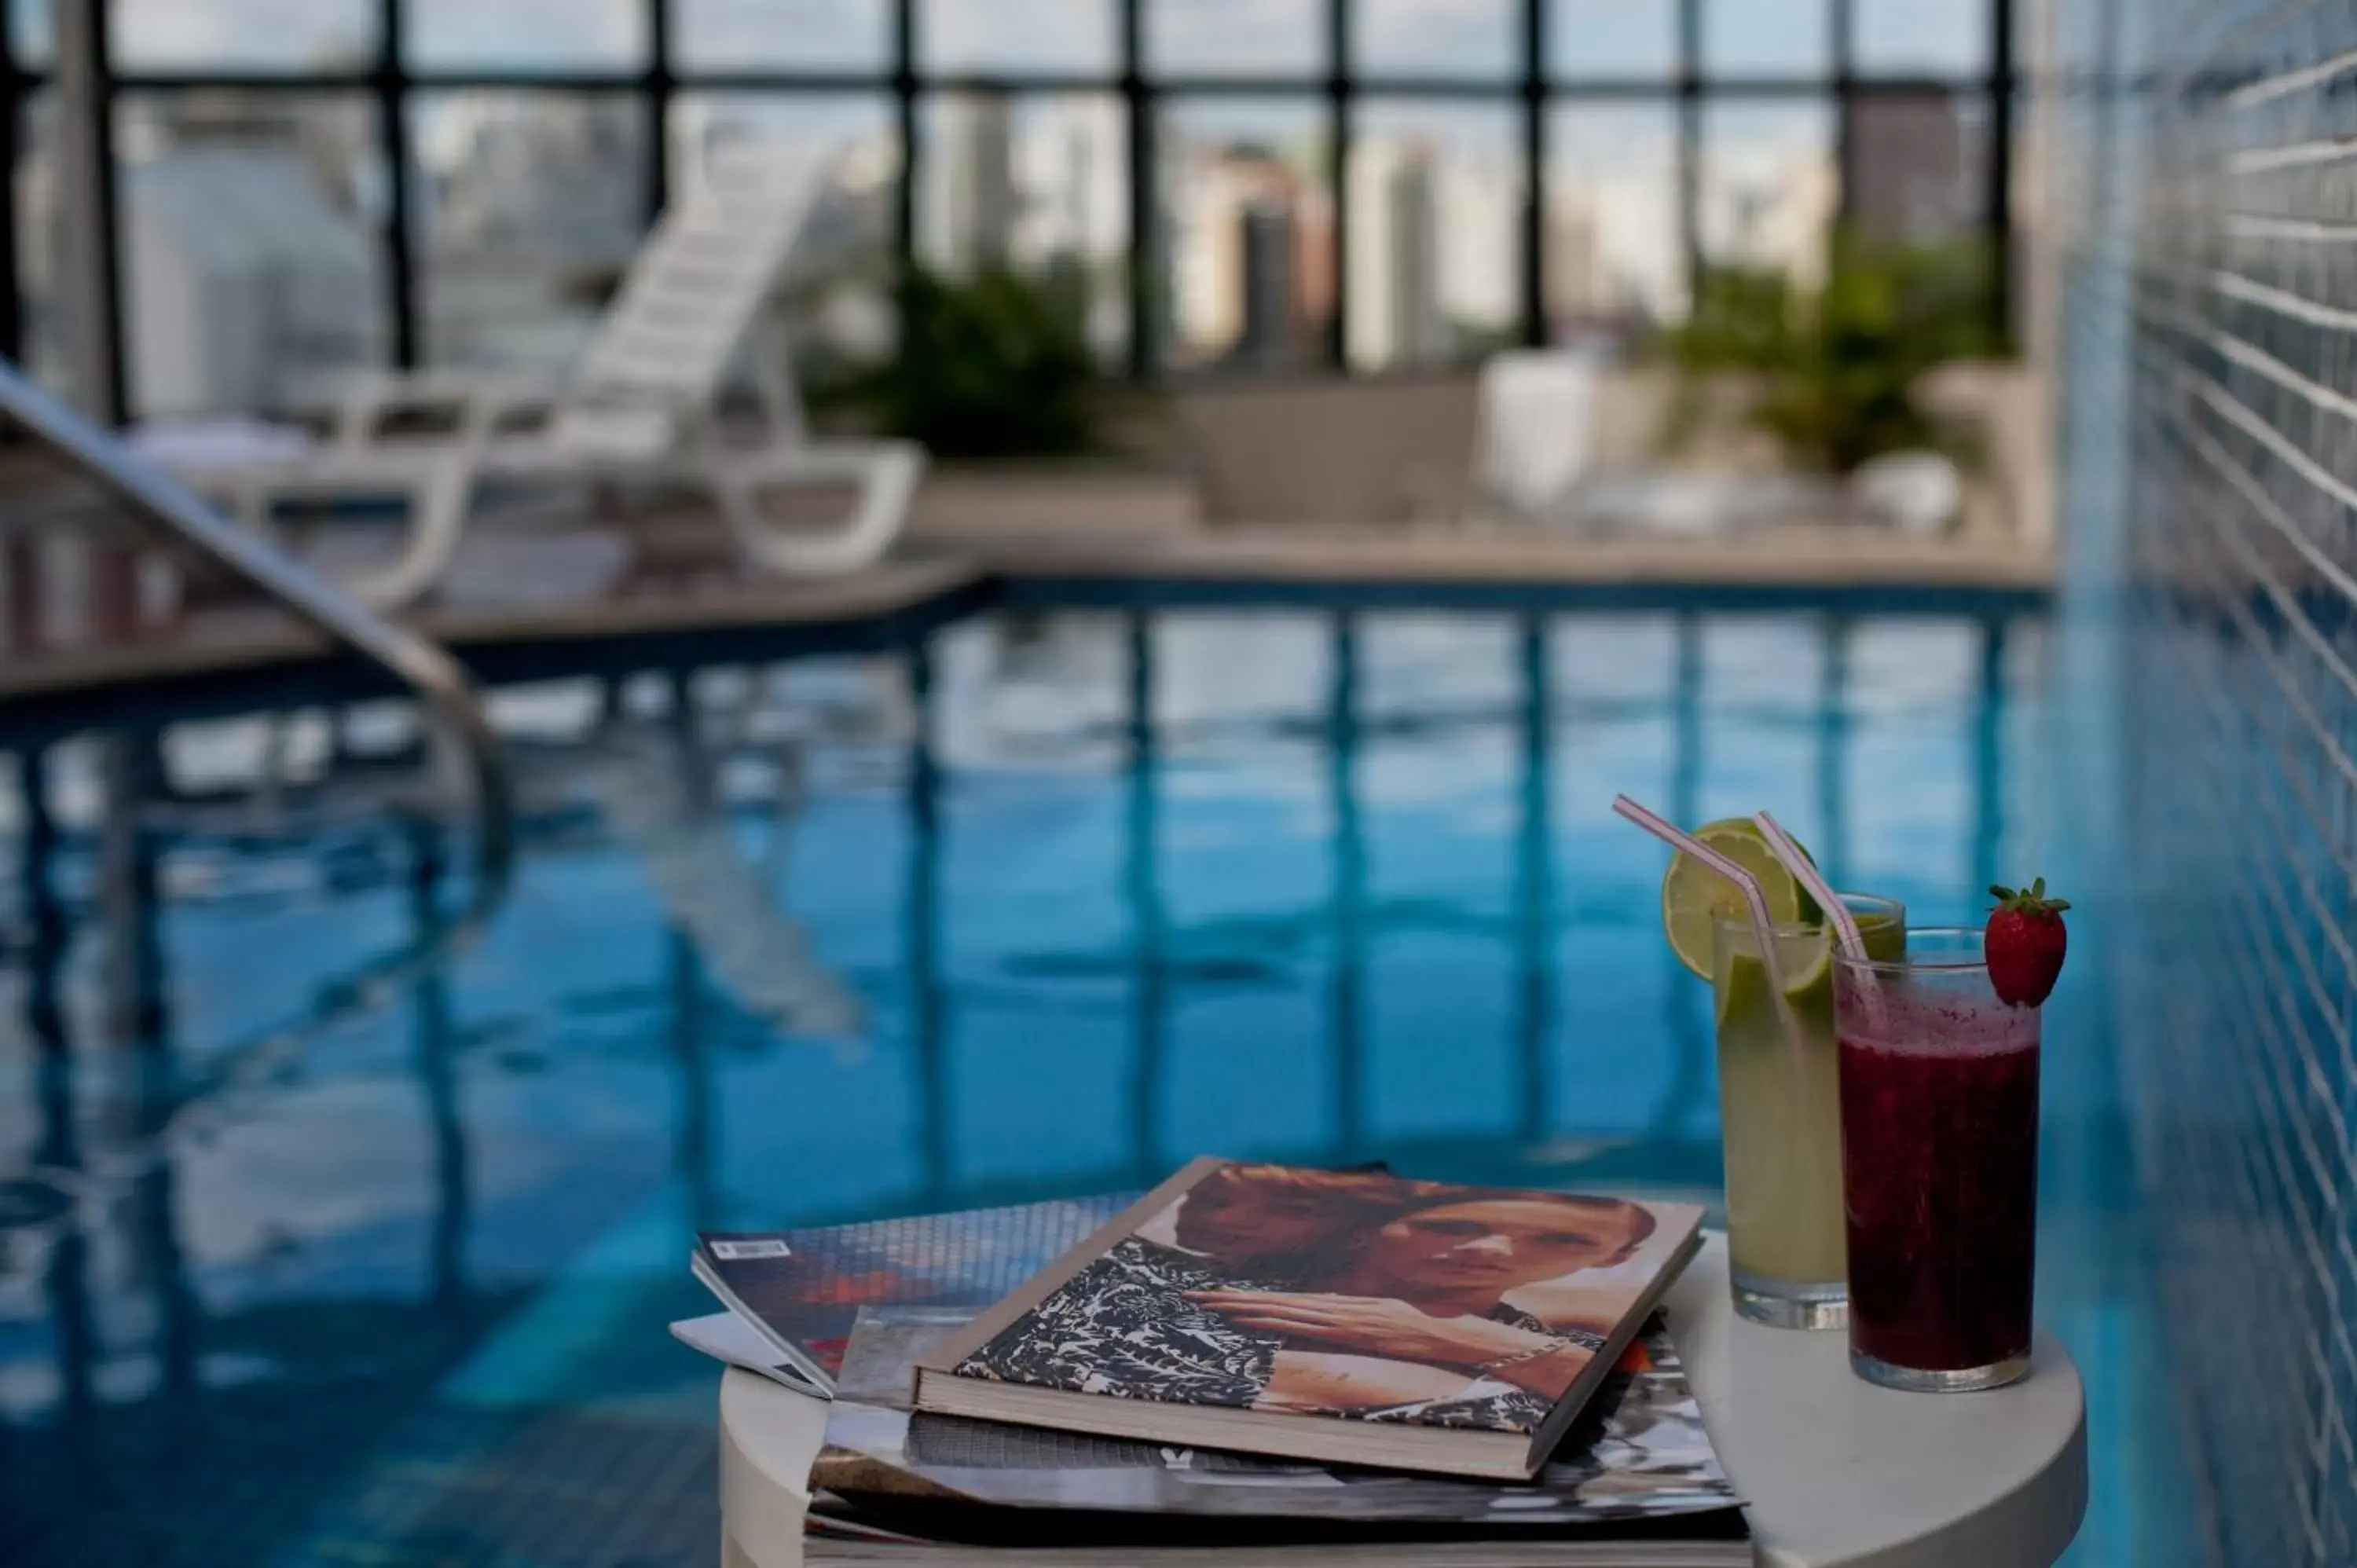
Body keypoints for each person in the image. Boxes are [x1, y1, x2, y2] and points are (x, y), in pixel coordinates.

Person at [1188, 1192, 1658, 1424]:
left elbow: (1644, 1420)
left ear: (1614, 1257)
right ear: (1367, 1225)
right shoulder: (1173, 1279)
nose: (1490, 1250)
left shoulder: (1583, 1344)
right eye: (1451, 1226)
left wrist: (1466, 1339)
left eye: (1562, 1240)